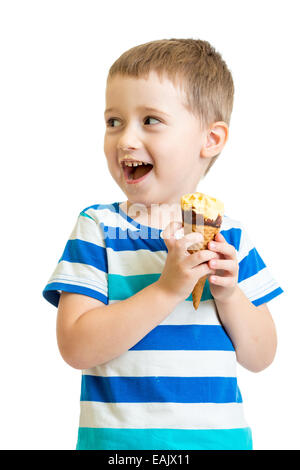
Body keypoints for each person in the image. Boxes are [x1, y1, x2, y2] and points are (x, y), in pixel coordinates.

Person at [42, 39, 283, 450]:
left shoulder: (232, 237)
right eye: (114, 121)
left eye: (150, 120)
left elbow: (261, 357)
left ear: (211, 139)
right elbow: (77, 347)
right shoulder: (99, 227)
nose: (124, 139)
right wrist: (168, 288)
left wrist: (229, 295)